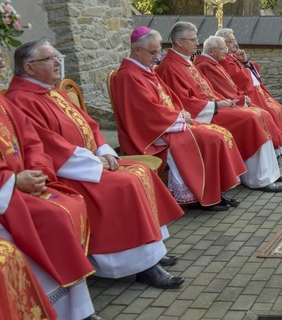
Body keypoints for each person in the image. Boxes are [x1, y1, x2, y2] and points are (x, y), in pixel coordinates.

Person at [8, 39, 186, 289]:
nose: (58, 61)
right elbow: (48, 145)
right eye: (49, 59)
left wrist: (105, 151)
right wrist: (95, 162)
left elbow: (88, 124)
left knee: (142, 171)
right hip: (67, 171)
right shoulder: (22, 99)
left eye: (56, 56)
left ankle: (153, 250)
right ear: (28, 68)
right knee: (125, 183)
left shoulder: (51, 90)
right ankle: (142, 266)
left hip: (90, 160)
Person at [0, 54, 99, 320]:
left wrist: (38, 172)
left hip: (25, 184)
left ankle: (78, 308)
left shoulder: (3, 102)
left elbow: (32, 141)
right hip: (8, 194)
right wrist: (13, 182)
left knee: (70, 205)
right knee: (56, 215)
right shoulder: (16, 97)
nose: (1, 62)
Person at [111, 27, 247, 211]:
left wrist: (181, 113)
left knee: (218, 133)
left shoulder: (145, 70)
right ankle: (196, 196)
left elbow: (169, 97)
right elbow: (144, 111)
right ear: (137, 50)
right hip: (150, 132)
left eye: (159, 51)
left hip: (166, 124)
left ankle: (213, 191)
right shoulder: (128, 75)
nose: (157, 57)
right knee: (209, 139)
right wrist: (178, 116)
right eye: (153, 52)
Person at [156, 22, 282, 193]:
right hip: (201, 113)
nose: (197, 43)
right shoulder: (170, 66)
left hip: (212, 107)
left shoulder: (185, 62)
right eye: (193, 39)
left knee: (259, 113)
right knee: (250, 118)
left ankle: (271, 173)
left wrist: (225, 101)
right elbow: (183, 100)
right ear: (179, 41)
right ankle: (258, 178)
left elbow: (208, 90)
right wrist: (216, 105)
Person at [195, 36, 282, 154]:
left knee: (268, 112)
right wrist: (241, 99)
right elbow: (222, 87)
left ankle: (270, 157)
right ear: (211, 51)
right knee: (255, 116)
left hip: (228, 100)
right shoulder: (206, 65)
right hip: (212, 108)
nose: (233, 45)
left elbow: (228, 85)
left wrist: (245, 63)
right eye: (225, 47)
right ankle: (257, 159)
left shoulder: (216, 62)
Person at [215, 28, 282, 151]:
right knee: (271, 112)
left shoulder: (233, 57)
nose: (235, 44)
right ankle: (272, 147)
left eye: (235, 40)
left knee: (279, 109)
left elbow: (252, 69)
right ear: (222, 43)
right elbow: (237, 77)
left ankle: (279, 147)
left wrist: (246, 62)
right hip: (246, 93)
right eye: (231, 41)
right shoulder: (224, 59)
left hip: (255, 91)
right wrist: (246, 70)